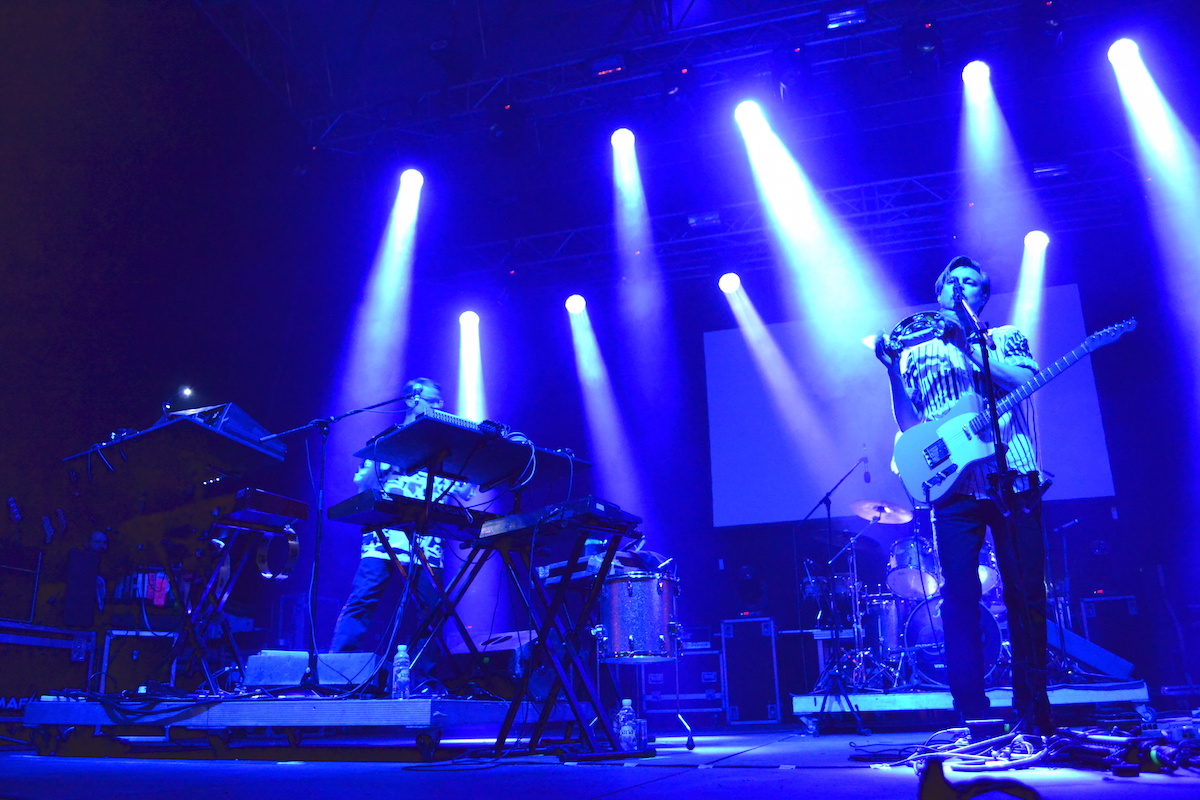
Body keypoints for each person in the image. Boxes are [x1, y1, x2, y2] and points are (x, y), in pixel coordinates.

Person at [876, 255, 1052, 733]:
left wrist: (971, 348)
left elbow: (1026, 381)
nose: (959, 287)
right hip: (954, 488)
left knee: (1026, 595)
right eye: (950, 281)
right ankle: (972, 709)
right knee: (958, 598)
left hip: (1013, 476)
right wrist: (892, 371)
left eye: (969, 282)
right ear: (939, 294)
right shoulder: (917, 354)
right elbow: (909, 423)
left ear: (982, 295)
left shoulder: (1005, 337)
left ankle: (1034, 707)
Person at [329, 378, 475, 693]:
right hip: (385, 537)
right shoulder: (389, 439)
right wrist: (382, 458)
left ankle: (425, 680)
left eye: (440, 402)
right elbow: (364, 485)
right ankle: (338, 673)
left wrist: (472, 454)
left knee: (431, 611)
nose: (438, 407)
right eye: (433, 401)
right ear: (411, 400)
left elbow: (466, 490)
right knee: (363, 600)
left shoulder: (446, 447)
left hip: (428, 542)